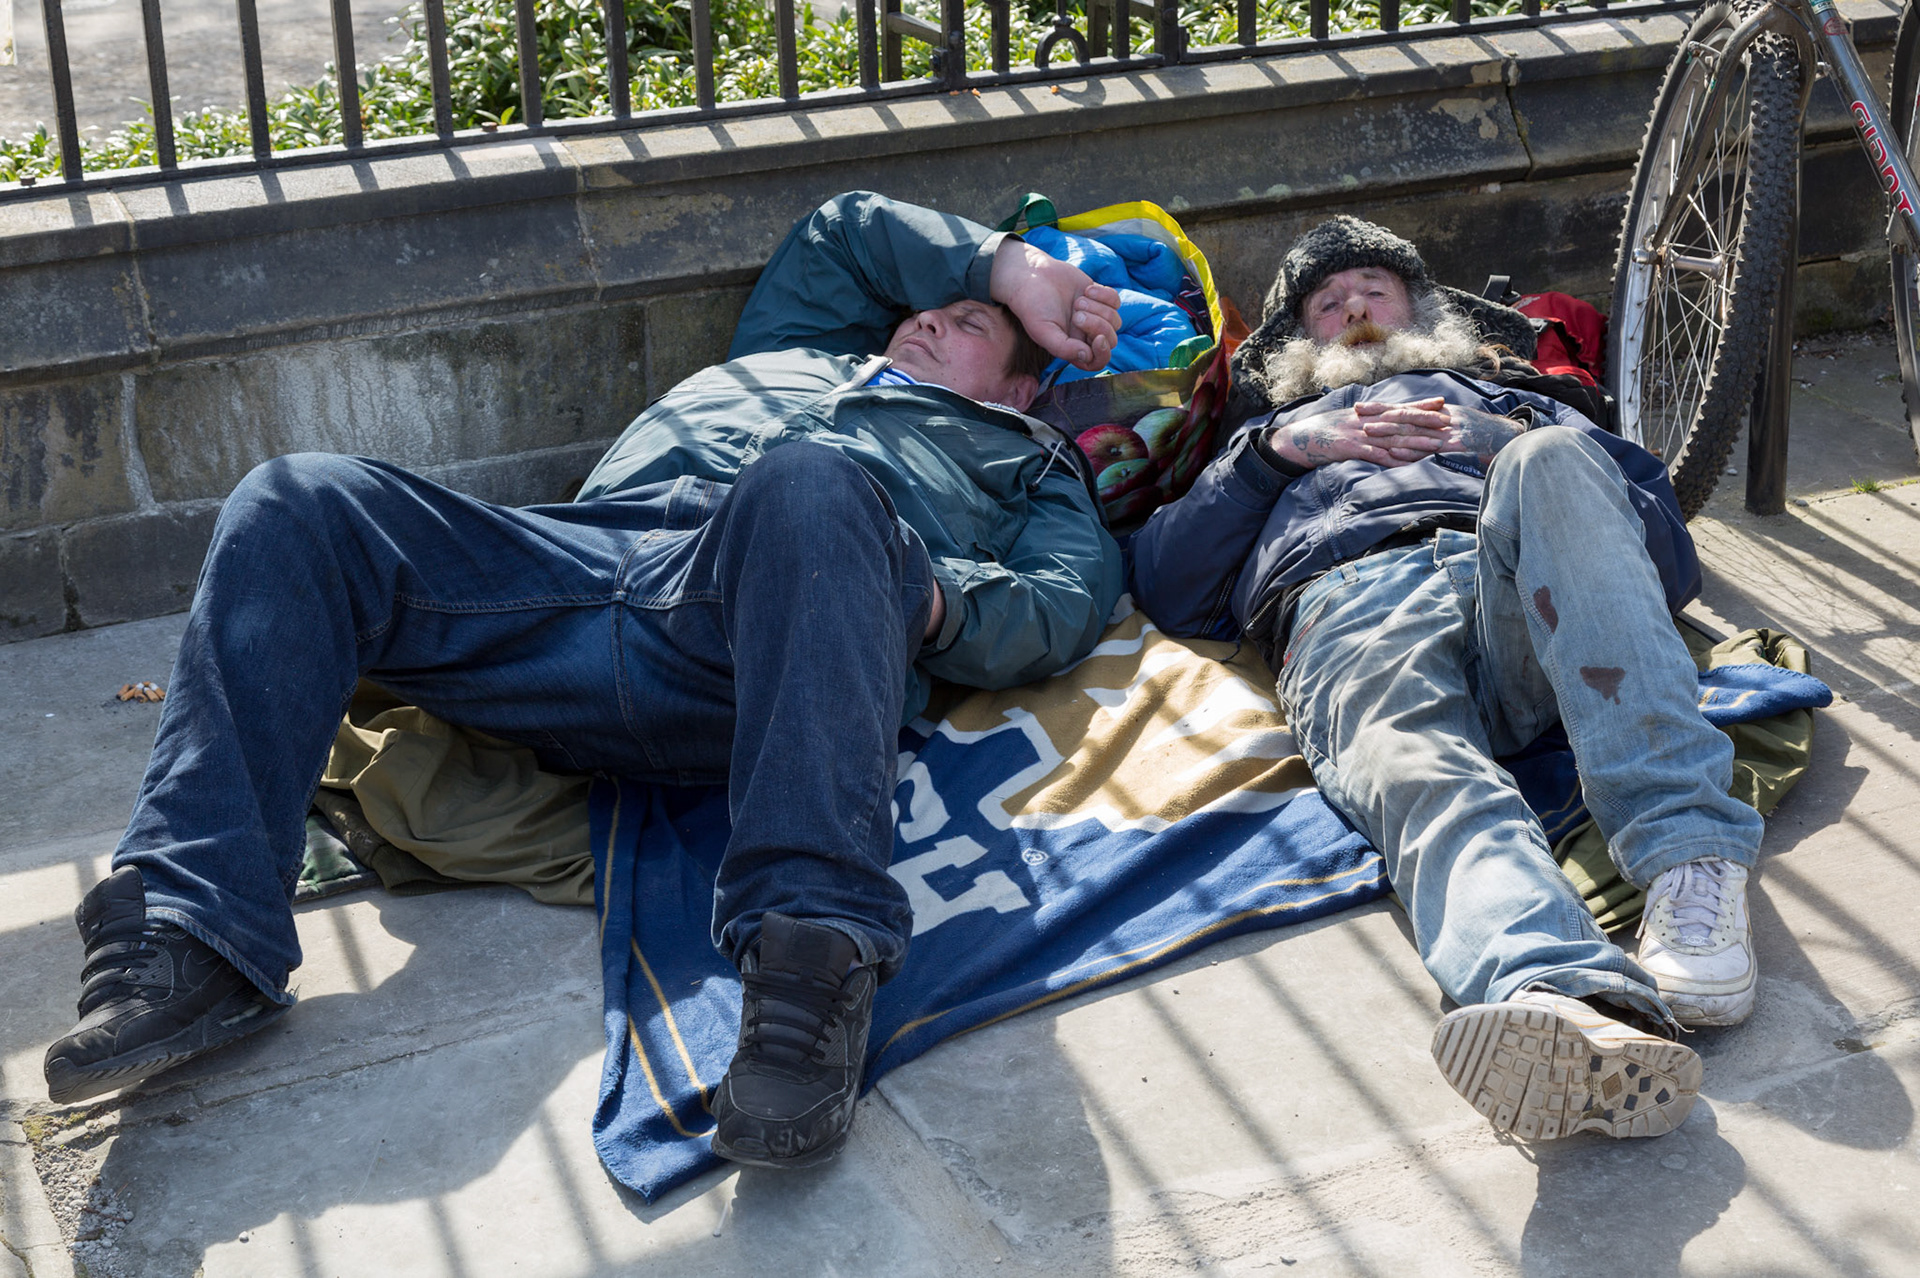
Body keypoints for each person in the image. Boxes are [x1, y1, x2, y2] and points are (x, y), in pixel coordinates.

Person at [44, 191, 1126, 1170]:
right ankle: (196, 932)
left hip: (761, 637)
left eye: (969, 323)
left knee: (812, 485)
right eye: (931, 304)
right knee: (300, 499)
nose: (931, 316)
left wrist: (922, 595)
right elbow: (841, 231)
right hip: (571, 577)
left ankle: (809, 973)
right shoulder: (797, 350)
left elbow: (1061, 607)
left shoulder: (1023, 462)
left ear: (1028, 387)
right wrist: (1006, 270)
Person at [1130, 215, 1761, 1141]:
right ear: (1298, 344)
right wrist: (1281, 457)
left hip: (1523, 590)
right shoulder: (1265, 438)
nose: (1352, 310)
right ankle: (1562, 997)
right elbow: (1165, 584)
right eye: (1326, 304)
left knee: (1553, 457)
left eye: (1372, 291)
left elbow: (1662, 559)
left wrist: (1499, 435)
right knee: (1420, 768)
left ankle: (1689, 870)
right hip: (1353, 604)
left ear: (1420, 308)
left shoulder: (1521, 399)